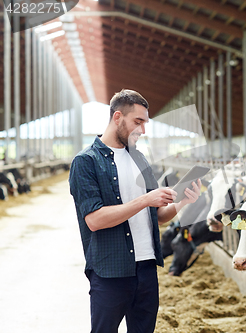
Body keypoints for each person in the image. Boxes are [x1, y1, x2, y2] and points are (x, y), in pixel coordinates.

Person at [69, 89, 202, 333]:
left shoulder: (140, 159)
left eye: (145, 123)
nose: (142, 130)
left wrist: (182, 202)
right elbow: (95, 220)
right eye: (137, 122)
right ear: (117, 117)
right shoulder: (86, 161)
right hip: (110, 271)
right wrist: (144, 199)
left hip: (147, 268)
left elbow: (158, 217)